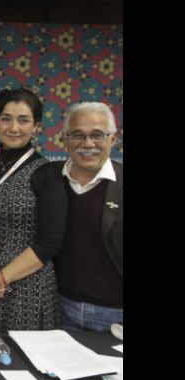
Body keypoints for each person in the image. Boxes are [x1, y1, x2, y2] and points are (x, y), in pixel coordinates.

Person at [0, 88, 66, 333]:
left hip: (25, 287)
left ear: (37, 126)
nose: (14, 128)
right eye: (6, 119)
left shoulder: (47, 174)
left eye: (23, 120)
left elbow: (50, 242)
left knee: (20, 363)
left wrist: (1, 280)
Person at [54, 102, 122, 331]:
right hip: (59, 309)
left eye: (97, 135)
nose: (88, 144)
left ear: (113, 138)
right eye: (77, 135)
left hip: (116, 315)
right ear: (65, 140)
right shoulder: (49, 180)